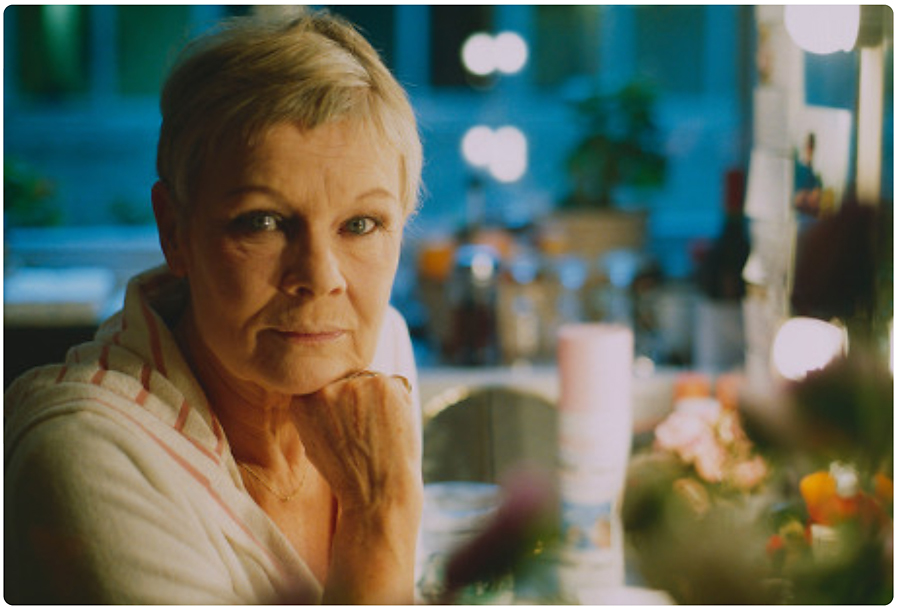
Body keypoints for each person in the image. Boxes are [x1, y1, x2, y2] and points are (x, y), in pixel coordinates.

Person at [5, 9, 424, 604]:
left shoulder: (383, 349)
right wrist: (382, 512)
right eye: (264, 221)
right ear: (174, 230)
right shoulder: (85, 454)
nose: (320, 278)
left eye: (361, 224)